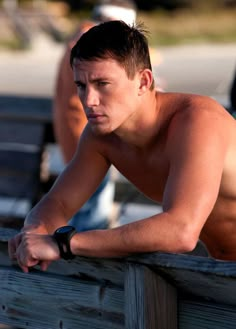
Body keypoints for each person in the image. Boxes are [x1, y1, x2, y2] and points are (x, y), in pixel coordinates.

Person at [9, 21, 236, 274]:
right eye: (81, 86)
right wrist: (33, 232)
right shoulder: (102, 135)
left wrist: (64, 244)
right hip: (222, 268)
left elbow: (181, 231)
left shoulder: (197, 122)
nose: (89, 101)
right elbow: (59, 203)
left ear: (143, 81)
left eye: (102, 84)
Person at [53, 0, 137, 231]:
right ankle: (86, 262)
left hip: (75, 135)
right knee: (92, 216)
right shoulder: (92, 46)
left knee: (83, 207)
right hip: (91, 137)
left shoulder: (78, 41)